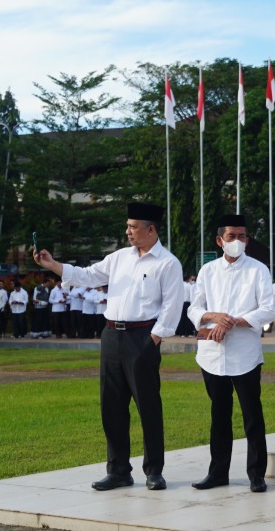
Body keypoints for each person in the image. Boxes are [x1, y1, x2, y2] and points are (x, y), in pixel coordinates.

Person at [34, 202, 184, 492]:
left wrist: (153, 340)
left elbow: (172, 306)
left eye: (133, 227)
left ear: (150, 229)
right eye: (127, 226)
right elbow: (89, 276)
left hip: (142, 338)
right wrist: (53, 264)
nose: (127, 231)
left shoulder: (167, 263)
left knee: (148, 406)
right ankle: (118, 470)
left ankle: (154, 470)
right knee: (111, 407)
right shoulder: (118, 258)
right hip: (112, 335)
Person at [188, 214, 275, 493]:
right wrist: (213, 316)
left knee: (252, 414)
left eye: (242, 236)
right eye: (231, 237)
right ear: (219, 240)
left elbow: (267, 310)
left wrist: (234, 321)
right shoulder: (208, 271)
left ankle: (256, 474)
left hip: (245, 353)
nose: (237, 242)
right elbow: (193, 308)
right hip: (212, 354)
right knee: (219, 415)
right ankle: (218, 473)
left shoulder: (258, 270)